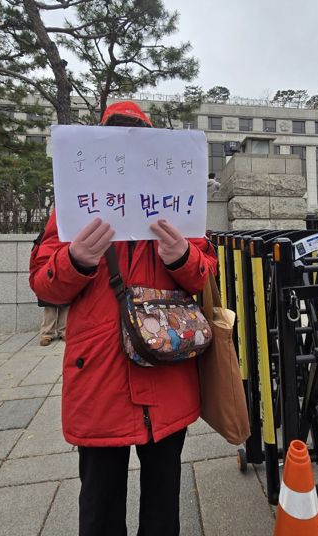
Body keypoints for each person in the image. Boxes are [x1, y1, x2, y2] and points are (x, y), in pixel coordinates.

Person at [29, 101, 218, 536]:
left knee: (163, 508)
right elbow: (43, 283)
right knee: (99, 508)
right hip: (99, 379)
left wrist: (183, 257)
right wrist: (75, 259)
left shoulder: (176, 206)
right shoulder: (73, 208)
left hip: (166, 374)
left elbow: (206, 274)